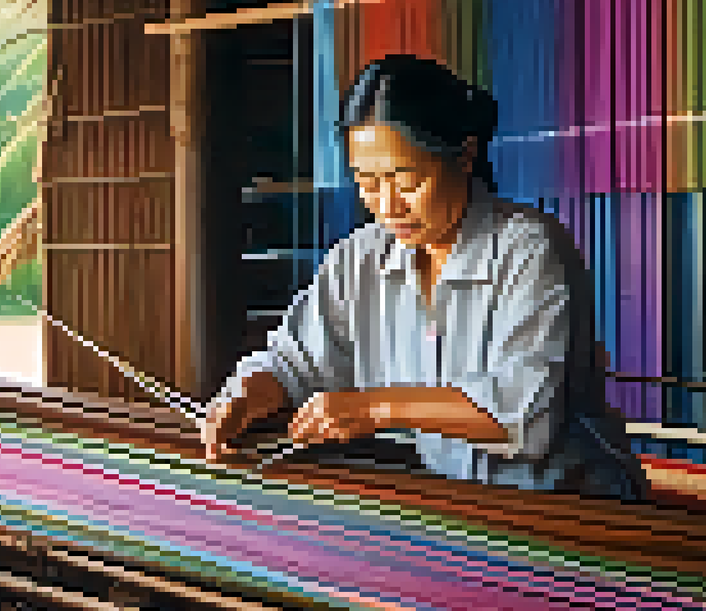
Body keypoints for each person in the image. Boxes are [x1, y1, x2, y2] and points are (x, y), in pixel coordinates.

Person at [203, 54, 649, 501]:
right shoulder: (359, 259)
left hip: (565, 505)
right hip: (455, 506)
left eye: (406, 180)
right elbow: (294, 363)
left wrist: (375, 407)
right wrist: (244, 396)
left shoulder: (528, 249)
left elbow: (523, 414)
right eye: (367, 182)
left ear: (464, 155)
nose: (388, 205)